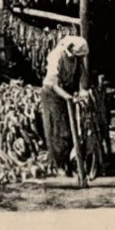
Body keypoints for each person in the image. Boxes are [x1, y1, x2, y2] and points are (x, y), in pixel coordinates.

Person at [40, 34, 91, 175]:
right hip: (52, 95)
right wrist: (67, 97)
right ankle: (59, 166)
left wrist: (83, 90)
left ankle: (69, 163)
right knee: (59, 132)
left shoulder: (77, 57)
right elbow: (54, 84)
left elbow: (82, 74)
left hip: (66, 92)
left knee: (72, 129)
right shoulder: (56, 56)